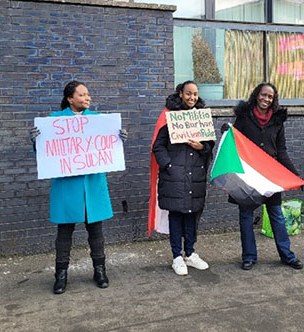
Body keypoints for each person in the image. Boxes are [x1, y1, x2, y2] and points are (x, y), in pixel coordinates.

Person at [29, 81, 127, 293]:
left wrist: (118, 139)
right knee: (64, 232)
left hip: (92, 184)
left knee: (96, 231)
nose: (87, 98)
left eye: (88, 94)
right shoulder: (54, 121)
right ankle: (61, 274)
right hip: (67, 186)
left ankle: (100, 270)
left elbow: (108, 148)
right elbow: (45, 155)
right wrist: (37, 141)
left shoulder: (100, 121)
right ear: (70, 99)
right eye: (82, 95)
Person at [224, 82, 303, 271]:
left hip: (270, 175)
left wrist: (295, 175)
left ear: (273, 99)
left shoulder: (277, 120)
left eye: (270, 97)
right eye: (263, 95)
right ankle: (249, 256)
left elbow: (281, 151)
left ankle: (287, 255)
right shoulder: (244, 117)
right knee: (246, 216)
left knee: (276, 215)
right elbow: (234, 140)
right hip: (249, 175)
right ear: (256, 95)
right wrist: (226, 132)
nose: (266, 99)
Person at [151, 81, 213, 276]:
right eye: (188, 94)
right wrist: (168, 166)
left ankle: (191, 253)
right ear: (180, 94)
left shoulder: (202, 118)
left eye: (195, 94)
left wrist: (201, 147)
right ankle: (176, 256)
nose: (192, 98)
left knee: (192, 216)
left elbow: (210, 146)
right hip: (174, 177)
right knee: (176, 216)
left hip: (195, 176)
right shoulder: (168, 116)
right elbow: (158, 146)